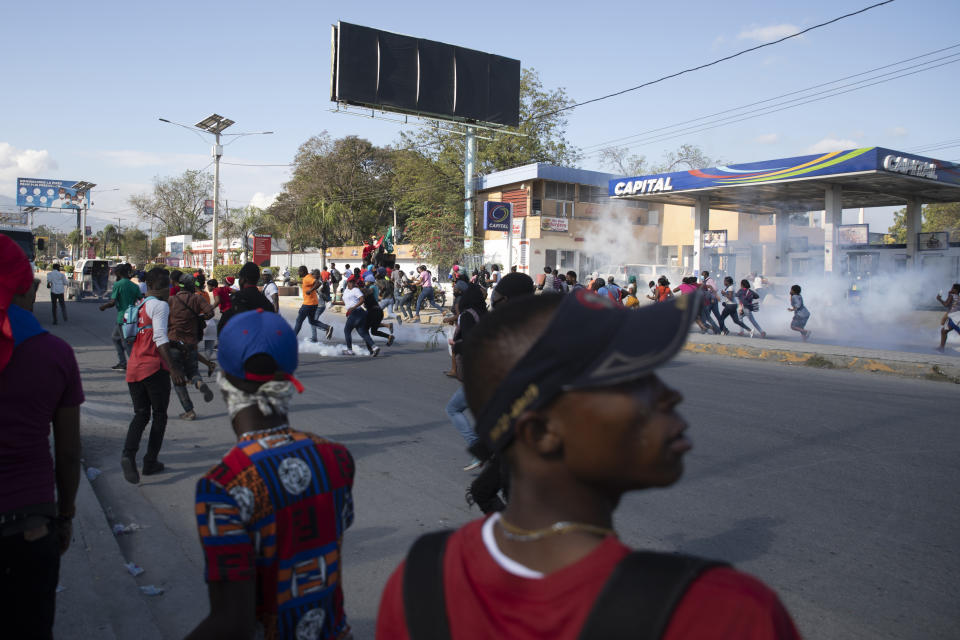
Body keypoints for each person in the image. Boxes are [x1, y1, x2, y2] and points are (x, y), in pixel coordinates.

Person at [376, 291, 802, 640]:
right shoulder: (726, 615)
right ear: (541, 432)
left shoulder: (421, 582)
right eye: (630, 381)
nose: (669, 395)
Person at [186, 310, 355, 640]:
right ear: (289, 376)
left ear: (223, 381)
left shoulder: (222, 486)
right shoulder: (337, 459)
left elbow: (233, 622)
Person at [0, 236, 83, 639]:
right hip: (29, 524)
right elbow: (68, 453)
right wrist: (65, 515)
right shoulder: (54, 354)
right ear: (26, 288)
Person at [122, 268, 187, 484]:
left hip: (134, 366)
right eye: (166, 285)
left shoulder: (139, 305)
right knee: (159, 415)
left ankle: (128, 455)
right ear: (156, 287)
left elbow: (136, 336)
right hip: (154, 368)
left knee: (140, 414)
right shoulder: (160, 306)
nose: (169, 290)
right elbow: (159, 337)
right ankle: (150, 461)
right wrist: (174, 368)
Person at [445, 283, 488, 472]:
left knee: (453, 409)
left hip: (478, 372)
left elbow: (472, 343)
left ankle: (478, 448)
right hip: (491, 371)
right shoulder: (485, 313)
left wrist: (457, 344)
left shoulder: (468, 315)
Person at [168, 274, 216, 420]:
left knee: (178, 379)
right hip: (191, 343)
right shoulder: (198, 298)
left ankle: (189, 411)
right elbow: (210, 313)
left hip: (174, 343)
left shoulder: (171, 300)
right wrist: (199, 318)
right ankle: (199, 383)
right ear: (191, 286)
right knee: (193, 371)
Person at [99, 263, 142, 371]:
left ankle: (135, 365)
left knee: (127, 343)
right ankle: (123, 363)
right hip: (131, 317)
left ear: (118, 273)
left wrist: (103, 306)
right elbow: (141, 300)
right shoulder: (134, 286)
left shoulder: (118, 285)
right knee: (115, 338)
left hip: (122, 317)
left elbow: (113, 302)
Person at [217, 263, 274, 334]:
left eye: (240, 278)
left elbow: (222, 328)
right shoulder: (266, 302)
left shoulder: (237, 297)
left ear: (243, 279)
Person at [292, 266, 333, 343]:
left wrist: (310, 290)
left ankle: (292, 339)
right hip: (314, 304)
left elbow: (318, 283)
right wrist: (295, 282)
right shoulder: (308, 277)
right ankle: (327, 328)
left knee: (299, 321)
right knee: (312, 321)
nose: (298, 273)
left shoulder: (308, 278)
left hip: (308, 304)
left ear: (303, 271)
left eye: (299, 271)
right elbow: (306, 282)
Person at [342, 276, 379, 356]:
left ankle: (349, 350)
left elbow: (362, 299)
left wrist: (353, 307)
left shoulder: (356, 290)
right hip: (355, 312)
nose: (352, 283)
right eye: (351, 282)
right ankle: (374, 347)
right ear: (347, 283)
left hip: (356, 312)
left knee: (347, 330)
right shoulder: (346, 291)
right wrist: (334, 303)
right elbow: (346, 303)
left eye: (353, 282)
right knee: (362, 332)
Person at [935, 283, 960, 352]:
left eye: (952, 288)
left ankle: (941, 348)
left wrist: (939, 299)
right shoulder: (958, 297)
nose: (950, 289)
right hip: (952, 318)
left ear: (955, 290)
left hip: (955, 319)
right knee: (944, 331)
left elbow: (946, 304)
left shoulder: (951, 295)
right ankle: (941, 348)